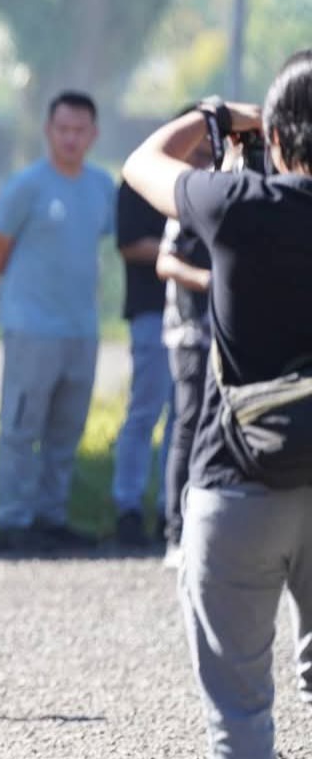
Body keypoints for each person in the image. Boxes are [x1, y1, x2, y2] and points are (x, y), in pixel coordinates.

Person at [124, 54, 312, 759]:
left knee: (242, 701)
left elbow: (143, 161)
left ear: (274, 138)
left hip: (238, 483)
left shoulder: (240, 207)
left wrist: (221, 114)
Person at [0, 91, 118, 553]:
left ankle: (51, 516)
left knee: (66, 429)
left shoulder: (102, 187)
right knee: (22, 427)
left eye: (80, 131)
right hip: (32, 327)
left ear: (93, 135)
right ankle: (14, 519)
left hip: (81, 328)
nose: (71, 139)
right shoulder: (27, 186)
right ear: (48, 131)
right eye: (63, 130)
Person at [112, 177, 171, 547]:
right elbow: (130, 244)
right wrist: (187, 250)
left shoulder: (214, 177)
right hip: (153, 311)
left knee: (186, 417)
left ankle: (172, 508)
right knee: (145, 412)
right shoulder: (140, 179)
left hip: (200, 312)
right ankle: (128, 508)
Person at [158, 210, 213, 573]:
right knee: (189, 426)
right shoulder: (188, 200)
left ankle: (211, 532)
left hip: (228, 335)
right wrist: (207, 279)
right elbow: (166, 262)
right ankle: (176, 533)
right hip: (191, 334)